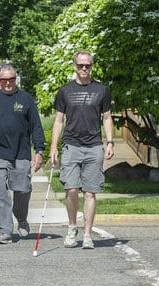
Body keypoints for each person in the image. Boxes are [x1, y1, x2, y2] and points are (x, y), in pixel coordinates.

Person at [0, 64, 45, 244]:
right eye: (4, 80)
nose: (7, 83)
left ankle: (21, 217)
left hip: (20, 154)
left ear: (15, 79)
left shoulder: (26, 99)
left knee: (23, 190)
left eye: (11, 79)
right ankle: (5, 231)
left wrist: (39, 151)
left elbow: (36, 127)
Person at [50, 50, 114, 249]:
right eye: (80, 65)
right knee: (71, 190)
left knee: (90, 192)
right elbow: (59, 120)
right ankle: (72, 228)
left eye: (87, 65)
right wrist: (54, 147)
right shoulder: (64, 91)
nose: (84, 68)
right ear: (74, 66)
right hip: (71, 145)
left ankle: (87, 235)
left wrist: (110, 142)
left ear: (91, 66)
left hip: (94, 146)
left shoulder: (102, 90)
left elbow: (107, 117)